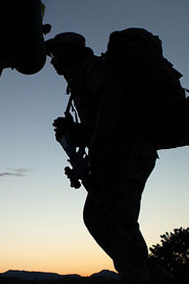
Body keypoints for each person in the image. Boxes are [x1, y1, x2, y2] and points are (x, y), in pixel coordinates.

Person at [47, 31, 176, 284]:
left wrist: (93, 150)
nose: (52, 60)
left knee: (116, 222)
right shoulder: (82, 75)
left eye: (56, 53)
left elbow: (113, 111)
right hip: (119, 154)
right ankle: (153, 276)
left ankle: (138, 276)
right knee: (102, 219)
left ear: (70, 51)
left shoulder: (92, 70)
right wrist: (76, 132)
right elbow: (102, 119)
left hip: (127, 154)